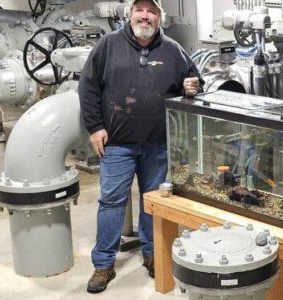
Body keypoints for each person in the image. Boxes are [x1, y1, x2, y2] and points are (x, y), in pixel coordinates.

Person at [78, 0, 203, 293]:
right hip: (117, 145)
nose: (145, 16)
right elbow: (88, 88)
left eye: (151, 11)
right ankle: (103, 264)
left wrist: (191, 86)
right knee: (111, 202)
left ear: (159, 17)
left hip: (157, 144)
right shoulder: (108, 45)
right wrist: (95, 128)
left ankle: (152, 254)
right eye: (139, 10)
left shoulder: (173, 49)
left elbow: (196, 80)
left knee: (153, 203)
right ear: (130, 15)